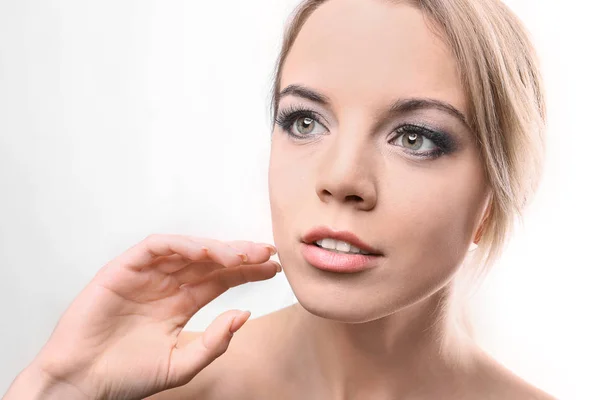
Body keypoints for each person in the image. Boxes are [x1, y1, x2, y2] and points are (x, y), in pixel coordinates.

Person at [4, 0, 557, 398]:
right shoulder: (157, 389)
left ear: (495, 195)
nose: (340, 178)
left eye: (415, 137)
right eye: (305, 121)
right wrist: (57, 388)